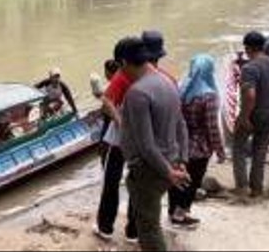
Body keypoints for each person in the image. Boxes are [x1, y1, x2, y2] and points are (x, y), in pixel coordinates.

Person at [120, 37, 190, 252]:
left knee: (149, 227)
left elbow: (146, 144)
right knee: (152, 221)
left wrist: (168, 172)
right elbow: (181, 126)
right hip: (169, 161)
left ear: (124, 63)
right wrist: (181, 161)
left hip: (149, 169)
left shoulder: (138, 93)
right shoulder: (167, 82)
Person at [167, 54, 226, 229]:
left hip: (178, 143)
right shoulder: (209, 95)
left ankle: (172, 211)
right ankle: (180, 216)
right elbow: (212, 127)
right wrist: (220, 150)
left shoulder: (181, 89)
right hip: (198, 147)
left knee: (177, 180)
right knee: (192, 182)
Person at [93, 40, 138, 244]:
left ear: (122, 61)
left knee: (111, 182)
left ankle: (105, 228)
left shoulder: (121, 76)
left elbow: (106, 104)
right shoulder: (157, 76)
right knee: (137, 183)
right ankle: (133, 231)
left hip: (119, 141)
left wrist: (120, 123)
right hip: (143, 141)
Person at [232, 31, 269, 201]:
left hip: (255, 113)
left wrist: (244, 117)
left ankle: (242, 189)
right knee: (260, 149)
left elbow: (250, 95)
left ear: (247, 48)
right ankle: (257, 189)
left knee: (238, 147)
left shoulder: (249, 68)